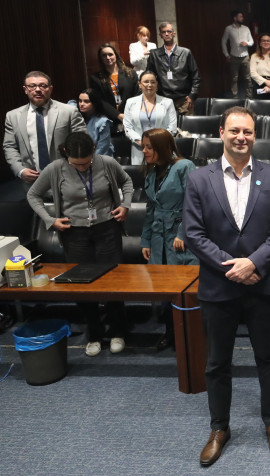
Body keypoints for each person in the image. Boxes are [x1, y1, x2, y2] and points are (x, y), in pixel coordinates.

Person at [183, 106, 270, 466]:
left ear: (255, 135)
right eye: (234, 131)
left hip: (261, 284)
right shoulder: (200, 179)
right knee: (217, 363)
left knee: (268, 359)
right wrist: (231, 267)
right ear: (221, 132)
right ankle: (219, 427)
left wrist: (253, 263)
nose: (241, 137)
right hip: (219, 286)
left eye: (247, 131)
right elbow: (195, 234)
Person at [27, 132, 132, 356]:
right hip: (74, 233)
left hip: (106, 229)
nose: (83, 168)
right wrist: (50, 219)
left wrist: (125, 205)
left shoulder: (107, 163)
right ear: (67, 155)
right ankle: (94, 333)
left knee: (113, 281)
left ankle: (118, 331)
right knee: (82, 283)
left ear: (94, 151)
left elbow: (128, 182)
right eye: (77, 165)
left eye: (87, 163)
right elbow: (33, 195)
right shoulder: (55, 169)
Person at [140, 128, 198, 351]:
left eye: (148, 147)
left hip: (180, 236)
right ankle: (170, 332)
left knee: (183, 287)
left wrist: (182, 232)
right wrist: (145, 240)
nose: (144, 151)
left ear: (162, 147)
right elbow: (150, 208)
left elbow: (194, 203)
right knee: (163, 288)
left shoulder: (184, 166)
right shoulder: (153, 171)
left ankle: (189, 334)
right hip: (157, 238)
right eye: (143, 146)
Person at [5, 72, 86, 187]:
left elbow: (82, 143)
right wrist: (20, 170)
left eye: (43, 85)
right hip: (32, 181)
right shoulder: (13, 116)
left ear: (50, 88)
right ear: (25, 89)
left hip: (68, 179)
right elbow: (9, 146)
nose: (38, 89)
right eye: (32, 86)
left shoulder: (69, 112)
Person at [123, 71, 177, 165]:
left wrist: (157, 143)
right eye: (146, 81)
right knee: (142, 178)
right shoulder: (130, 102)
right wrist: (142, 142)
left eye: (153, 82)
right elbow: (128, 127)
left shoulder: (168, 102)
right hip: (139, 149)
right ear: (140, 84)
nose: (150, 85)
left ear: (157, 84)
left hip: (162, 148)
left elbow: (172, 128)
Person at [146, 22, 201, 115]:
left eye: (169, 31)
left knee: (186, 128)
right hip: (163, 99)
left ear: (174, 33)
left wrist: (192, 95)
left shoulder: (185, 52)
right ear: (160, 35)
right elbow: (149, 76)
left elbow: (196, 76)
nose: (166, 34)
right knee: (164, 128)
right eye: (164, 32)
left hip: (183, 99)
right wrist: (151, 96)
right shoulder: (154, 54)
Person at [90, 44, 140, 133]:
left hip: (131, 117)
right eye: (104, 55)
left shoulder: (130, 73)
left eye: (110, 54)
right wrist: (119, 115)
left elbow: (137, 96)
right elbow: (99, 101)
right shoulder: (95, 78)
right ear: (101, 58)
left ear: (115, 55)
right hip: (109, 120)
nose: (108, 57)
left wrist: (128, 115)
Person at [70, 88, 113, 156]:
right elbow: (71, 103)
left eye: (86, 101)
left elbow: (102, 148)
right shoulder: (78, 117)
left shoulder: (103, 122)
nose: (81, 104)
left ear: (95, 103)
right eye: (80, 101)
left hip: (100, 159)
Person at [221, 10, 254, 99]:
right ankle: (234, 97)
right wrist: (226, 54)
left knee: (247, 78)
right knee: (234, 78)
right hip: (233, 57)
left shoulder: (246, 28)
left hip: (245, 57)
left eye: (242, 17)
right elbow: (223, 42)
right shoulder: (228, 28)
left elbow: (252, 41)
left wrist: (246, 43)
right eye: (240, 16)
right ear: (235, 18)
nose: (242, 18)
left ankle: (249, 97)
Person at [249, 34, 270, 100]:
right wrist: (266, 82)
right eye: (263, 41)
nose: (266, 42)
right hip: (260, 84)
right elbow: (253, 72)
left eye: (268, 41)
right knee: (258, 107)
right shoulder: (254, 56)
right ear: (260, 43)